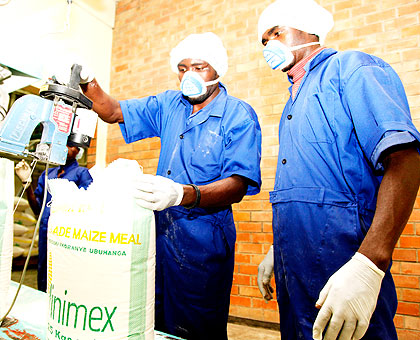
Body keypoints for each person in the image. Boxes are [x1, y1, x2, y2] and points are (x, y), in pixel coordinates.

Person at [69, 32, 262, 340]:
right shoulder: (171, 105)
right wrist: (87, 81)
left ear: (217, 70)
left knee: (196, 327)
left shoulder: (238, 115)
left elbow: (238, 185)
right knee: (155, 321)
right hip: (160, 236)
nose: (189, 76)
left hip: (203, 244)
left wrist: (183, 193)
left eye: (198, 67)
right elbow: (112, 111)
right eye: (183, 69)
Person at [256, 1, 420, 340]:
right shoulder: (293, 102)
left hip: (346, 264)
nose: (269, 44)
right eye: (263, 40)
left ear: (308, 29)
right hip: (296, 269)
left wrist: (370, 264)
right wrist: (279, 247)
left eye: (277, 32)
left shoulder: (352, 69)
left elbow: (405, 159)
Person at [15, 145, 93, 292]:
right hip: (46, 230)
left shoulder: (81, 173)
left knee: (65, 271)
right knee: (44, 270)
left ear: (79, 151)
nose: (66, 148)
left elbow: (87, 205)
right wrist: (27, 184)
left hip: (69, 233)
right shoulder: (48, 174)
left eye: (72, 145)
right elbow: (37, 209)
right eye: (64, 144)